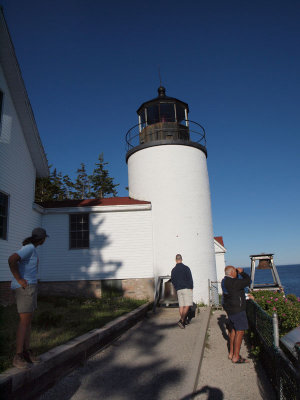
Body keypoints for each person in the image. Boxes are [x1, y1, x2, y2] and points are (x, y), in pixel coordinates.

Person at [8, 227, 48, 369]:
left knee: (28, 322)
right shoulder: (29, 248)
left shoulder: (31, 248)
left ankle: (25, 352)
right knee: (24, 322)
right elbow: (12, 259)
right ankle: (17, 356)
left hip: (30, 288)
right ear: (42, 239)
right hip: (25, 288)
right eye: (44, 238)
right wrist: (19, 279)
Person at [221, 265, 251, 363]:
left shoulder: (224, 281)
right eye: (235, 272)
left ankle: (231, 353)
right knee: (240, 332)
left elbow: (235, 288)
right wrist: (242, 272)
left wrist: (236, 274)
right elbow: (248, 281)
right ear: (232, 273)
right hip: (237, 310)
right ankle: (236, 357)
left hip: (230, 309)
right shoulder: (234, 282)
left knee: (233, 331)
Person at [171, 254, 193, 329]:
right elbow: (190, 278)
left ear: (175, 260)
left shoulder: (173, 270)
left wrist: (176, 287)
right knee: (187, 305)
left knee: (181, 306)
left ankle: (183, 322)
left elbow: (173, 280)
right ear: (181, 259)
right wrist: (191, 287)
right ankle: (182, 320)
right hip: (186, 288)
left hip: (178, 289)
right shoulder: (186, 268)